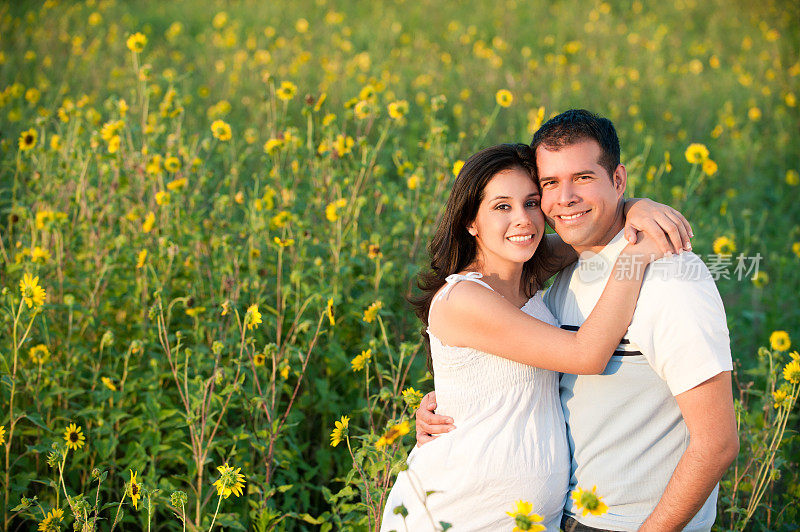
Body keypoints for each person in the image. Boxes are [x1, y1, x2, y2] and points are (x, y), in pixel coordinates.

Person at [416, 110, 739, 532]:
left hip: (628, 523)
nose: (562, 199)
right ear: (470, 223)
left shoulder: (670, 278)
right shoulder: (559, 269)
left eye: (583, 178)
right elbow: (572, 355)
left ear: (618, 180)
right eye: (549, 184)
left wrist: (635, 212)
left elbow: (717, 443)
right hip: (513, 512)